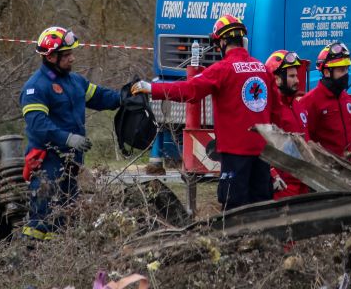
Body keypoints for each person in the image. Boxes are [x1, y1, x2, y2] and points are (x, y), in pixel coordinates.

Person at [132, 15, 274, 210]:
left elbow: (190, 90)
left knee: (235, 208)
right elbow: (277, 107)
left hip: (236, 153)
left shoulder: (222, 69)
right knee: (263, 206)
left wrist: (152, 88)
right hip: (264, 152)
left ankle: (239, 241)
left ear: (223, 41)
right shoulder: (263, 69)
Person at [19, 26, 123, 243]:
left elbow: (100, 97)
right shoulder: (36, 87)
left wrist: (124, 96)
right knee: (42, 218)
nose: (72, 58)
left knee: (68, 215)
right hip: (48, 162)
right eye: (66, 55)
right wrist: (68, 138)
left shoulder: (74, 81)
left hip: (72, 162)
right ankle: (30, 262)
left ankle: (62, 263)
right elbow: (38, 125)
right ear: (51, 56)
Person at [299, 42, 351, 159]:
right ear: (326, 72)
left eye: (347, 69)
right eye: (341, 70)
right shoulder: (310, 101)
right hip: (326, 169)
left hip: (350, 166)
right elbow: (304, 140)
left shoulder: (346, 98)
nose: (346, 74)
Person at [263, 49, 308, 198]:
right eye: (292, 76)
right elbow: (261, 143)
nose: (297, 80)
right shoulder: (269, 108)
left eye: (296, 75)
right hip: (283, 185)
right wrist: (272, 174)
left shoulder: (298, 106)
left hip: (304, 180)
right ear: (277, 79)